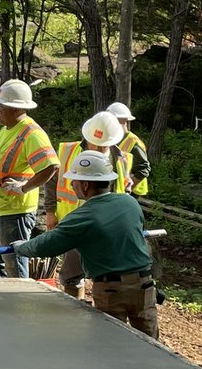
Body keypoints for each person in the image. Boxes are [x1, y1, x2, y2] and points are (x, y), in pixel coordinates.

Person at [15, 151, 158, 338]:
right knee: (151, 344)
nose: (72, 185)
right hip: (145, 284)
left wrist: (20, 247)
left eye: (74, 180)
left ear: (85, 184)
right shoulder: (129, 203)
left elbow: (46, 246)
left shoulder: (83, 216)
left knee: (112, 342)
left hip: (112, 290)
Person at [41, 111, 133, 299]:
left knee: (108, 274)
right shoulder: (68, 152)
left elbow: (123, 190)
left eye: (103, 145)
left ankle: (107, 313)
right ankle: (77, 307)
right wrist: (50, 212)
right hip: (76, 225)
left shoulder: (121, 158)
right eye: (94, 143)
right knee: (72, 274)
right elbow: (51, 182)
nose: (98, 148)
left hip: (108, 227)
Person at [0, 79, 59, 279]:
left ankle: (20, 306)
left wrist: (24, 187)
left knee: (14, 264)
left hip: (14, 212)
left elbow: (51, 165)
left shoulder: (31, 134)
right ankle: (1, 304)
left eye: (0, 106)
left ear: (16, 109)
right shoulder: (7, 128)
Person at [107, 102, 151, 196]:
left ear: (124, 121)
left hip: (131, 192)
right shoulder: (113, 139)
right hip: (117, 189)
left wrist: (126, 189)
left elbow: (143, 169)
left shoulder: (134, 142)